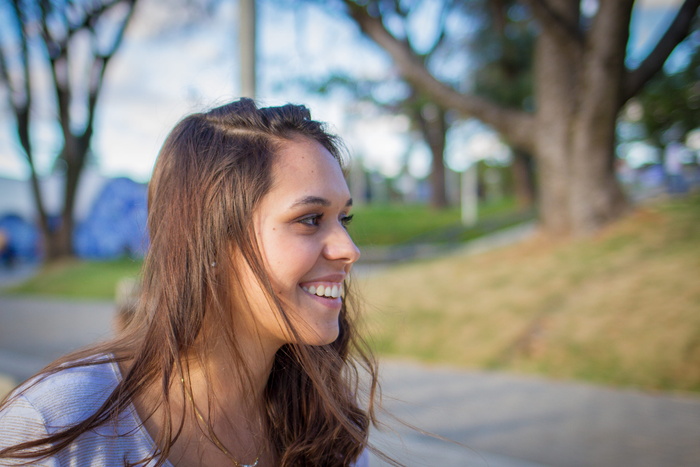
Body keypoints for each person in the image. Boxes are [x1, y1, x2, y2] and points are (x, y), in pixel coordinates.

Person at [0, 99, 379, 466]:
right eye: (310, 218)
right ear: (209, 238)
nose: (349, 249)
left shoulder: (326, 428)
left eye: (343, 219)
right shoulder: (56, 430)